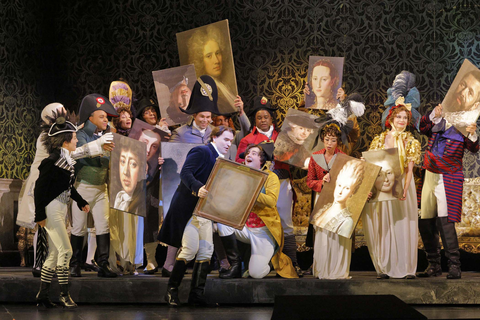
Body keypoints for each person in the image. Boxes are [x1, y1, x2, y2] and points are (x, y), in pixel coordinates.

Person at [16, 102, 113, 277]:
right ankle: (40, 265)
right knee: (43, 225)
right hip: (45, 185)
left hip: (57, 186)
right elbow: (68, 154)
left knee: (53, 226)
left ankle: (49, 265)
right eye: (59, 113)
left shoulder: (56, 133)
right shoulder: (47, 137)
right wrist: (95, 145)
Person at [163, 126, 235, 307]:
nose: (228, 144)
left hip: (204, 212)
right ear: (215, 137)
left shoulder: (221, 160)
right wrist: (197, 187)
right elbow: (186, 172)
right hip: (188, 210)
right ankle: (171, 290)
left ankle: (196, 295)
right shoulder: (202, 151)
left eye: (231, 141)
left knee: (206, 251)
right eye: (226, 139)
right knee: (190, 249)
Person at [236, 96, 302, 277]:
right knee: (256, 221)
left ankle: (292, 263)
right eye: (259, 117)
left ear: (272, 118)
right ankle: (257, 262)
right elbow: (239, 163)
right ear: (254, 120)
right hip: (257, 186)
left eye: (266, 117)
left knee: (286, 223)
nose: (263, 120)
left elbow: (299, 156)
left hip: (281, 182)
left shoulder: (285, 137)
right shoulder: (248, 139)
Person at [34, 110, 90, 309]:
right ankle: (64, 295)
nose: (77, 141)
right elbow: (39, 189)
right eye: (74, 138)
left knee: (55, 254)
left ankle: (43, 295)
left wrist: (80, 201)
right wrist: (39, 214)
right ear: (65, 141)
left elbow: (67, 187)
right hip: (52, 210)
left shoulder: (65, 161)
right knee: (66, 250)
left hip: (60, 207)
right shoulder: (51, 162)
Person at [417, 103, 479, 279]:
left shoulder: (463, 126)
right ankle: (433, 265)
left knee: (445, 220)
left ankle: (454, 265)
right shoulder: (437, 121)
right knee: (426, 220)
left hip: (449, 176)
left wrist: (473, 133)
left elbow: (473, 148)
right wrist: (433, 115)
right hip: (430, 173)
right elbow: (421, 127)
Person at [217, 143, 298, 279]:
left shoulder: (270, 177)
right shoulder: (241, 175)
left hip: (263, 231)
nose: (249, 155)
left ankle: (271, 261)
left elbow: (271, 201)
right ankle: (235, 264)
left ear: (261, 160)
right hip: (245, 227)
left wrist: (250, 190)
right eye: (248, 153)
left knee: (256, 273)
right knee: (222, 223)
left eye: (254, 153)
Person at [363, 102, 421, 279]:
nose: (402, 120)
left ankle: (406, 267)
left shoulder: (411, 141)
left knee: (404, 222)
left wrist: (405, 189)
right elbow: (372, 165)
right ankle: (385, 266)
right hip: (385, 183)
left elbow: (410, 169)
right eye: (399, 117)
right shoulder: (380, 139)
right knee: (385, 223)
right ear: (391, 118)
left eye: (405, 118)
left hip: (403, 182)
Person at [70, 94, 119, 278]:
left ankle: (103, 264)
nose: (106, 119)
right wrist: (99, 147)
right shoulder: (80, 134)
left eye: (106, 117)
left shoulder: (108, 136)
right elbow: (79, 154)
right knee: (79, 227)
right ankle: (75, 264)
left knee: (103, 225)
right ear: (90, 117)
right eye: (102, 116)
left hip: (101, 188)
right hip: (83, 188)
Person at [310, 159, 364, 279]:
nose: (340, 191)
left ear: (352, 192)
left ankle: (332, 269)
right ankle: (321, 269)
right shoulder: (323, 209)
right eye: (339, 185)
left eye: (346, 188)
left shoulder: (346, 221)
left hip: (334, 265)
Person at [187, 24, 237, 114]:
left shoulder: (223, 85)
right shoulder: (204, 92)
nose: (216, 60)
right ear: (200, 61)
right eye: (209, 56)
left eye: (218, 53)